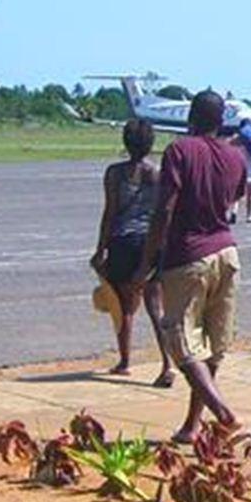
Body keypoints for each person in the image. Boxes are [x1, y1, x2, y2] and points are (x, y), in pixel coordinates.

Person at [141, 90, 245, 442]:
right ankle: (192, 425)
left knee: (181, 342)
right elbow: (233, 198)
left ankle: (224, 415)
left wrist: (149, 260)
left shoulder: (179, 151)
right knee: (212, 348)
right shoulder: (235, 156)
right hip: (227, 253)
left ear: (190, 118)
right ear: (222, 120)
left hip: (188, 256)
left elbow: (164, 208)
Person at [90, 118, 173, 387]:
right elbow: (164, 212)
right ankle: (167, 364)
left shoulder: (115, 173)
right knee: (155, 306)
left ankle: (125, 361)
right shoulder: (158, 173)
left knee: (124, 305)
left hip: (123, 242)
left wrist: (100, 249)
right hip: (152, 242)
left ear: (126, 143)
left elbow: (110, 213)